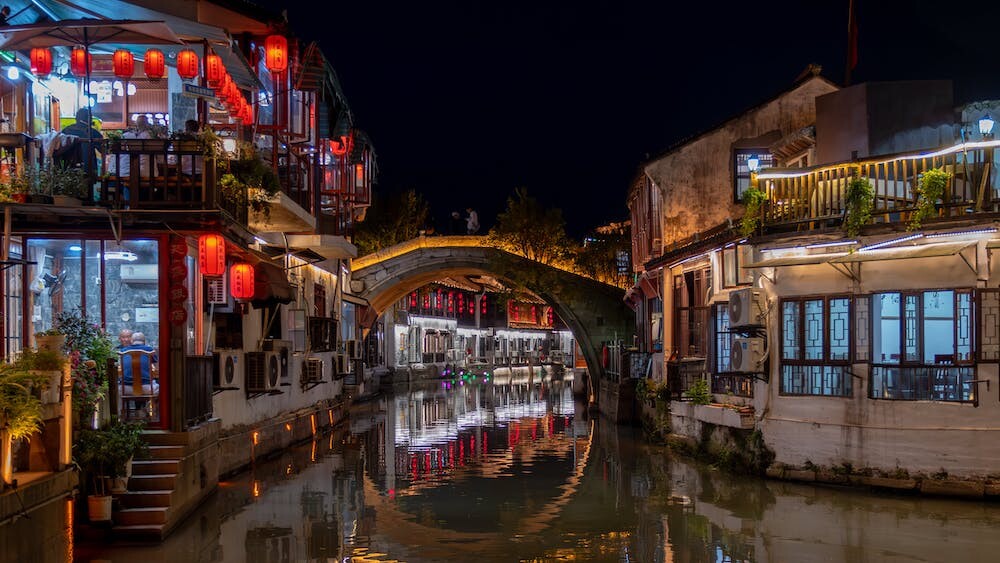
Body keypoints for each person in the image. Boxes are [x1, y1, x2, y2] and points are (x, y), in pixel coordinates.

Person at [58, 108, 103, 174]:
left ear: (76, 118)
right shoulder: (92, 132)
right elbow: (103, 149)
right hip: (88, 169)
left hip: (69, 167)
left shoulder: (66, 130)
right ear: (88, 118)